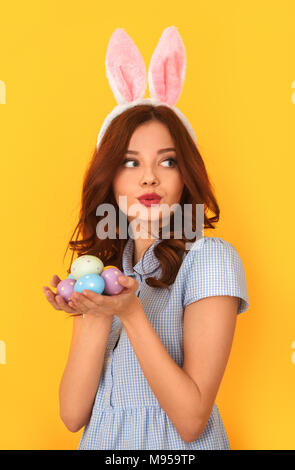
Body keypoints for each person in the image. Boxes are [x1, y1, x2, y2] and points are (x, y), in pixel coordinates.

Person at [42, 27, 249, 450]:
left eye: (167, 161)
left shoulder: (210, 259)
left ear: (185, 173)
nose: (149, 176)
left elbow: (192, 420)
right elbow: (72, 415)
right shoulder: (106, 271)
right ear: (110, 177)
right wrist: (96, 313)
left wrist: (131, 314)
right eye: (130, 162)